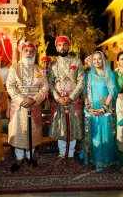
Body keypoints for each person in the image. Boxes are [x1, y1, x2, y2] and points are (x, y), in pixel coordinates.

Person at [6, 42, 49, 172]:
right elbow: (10, 86)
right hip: (19, 107)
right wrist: (21, 99)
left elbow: (45, 87)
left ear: (35, 53)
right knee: (18, 131)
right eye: (26, 51)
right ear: (22, 52)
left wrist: (34, 99)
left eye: (31, 51)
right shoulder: (14, 69)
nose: (29, 53)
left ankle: (30, 156)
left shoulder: (40, 70)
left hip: (34, 106)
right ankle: (19, 157)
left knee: (33, 131)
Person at [48, 36, 85, 165]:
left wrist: (71, 97)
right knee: (61, 128)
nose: (62, 47)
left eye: (64, 45)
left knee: (73, 127)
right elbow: (50, 84)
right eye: (59, 45)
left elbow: (81, 82)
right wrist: (58, 98)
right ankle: (61, 153)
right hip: (59, 101)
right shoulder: (52, 64)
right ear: (56, 47)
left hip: (73, 101)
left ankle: (70, 154)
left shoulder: (77, 62)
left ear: (68, 46)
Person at [79, 51, 117, 171]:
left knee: (104, 135)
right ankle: (90, 157)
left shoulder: (108, 74)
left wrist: (103, 108)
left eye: (99, 59)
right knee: (92, 134)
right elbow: (84, 92)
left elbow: (112, 92)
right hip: (90, 110)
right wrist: (88, 107)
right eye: (94, 59)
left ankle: (103, 160)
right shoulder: (88, 75)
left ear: (103, 60)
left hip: (105, 110)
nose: (96, 61)